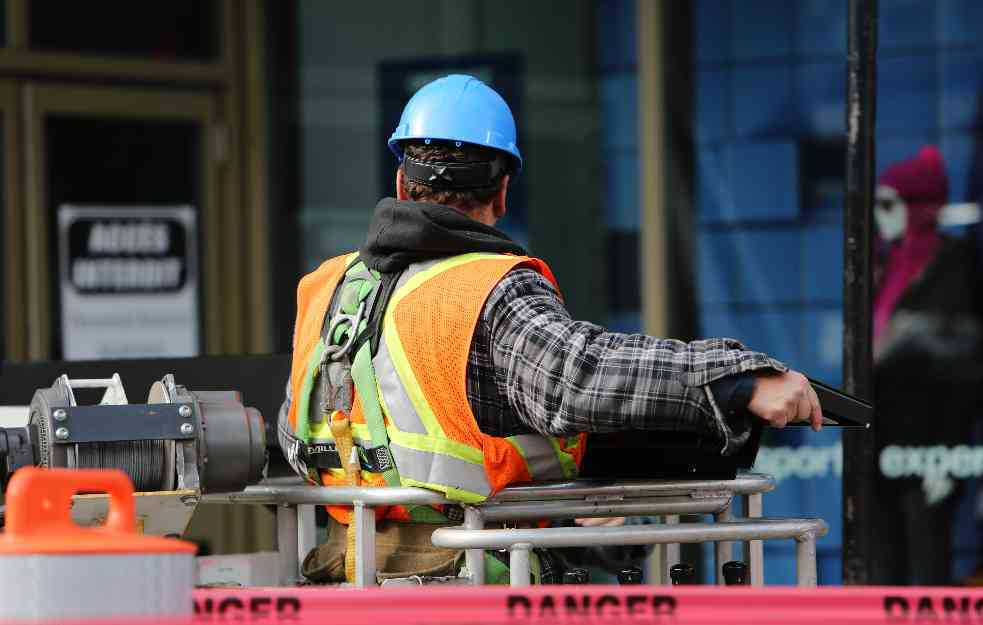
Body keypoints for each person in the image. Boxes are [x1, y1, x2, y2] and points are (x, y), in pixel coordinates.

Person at [277, 74, 823, 584]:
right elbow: (576, 377)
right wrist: (738, 380)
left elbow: (296, 429)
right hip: (469, 583)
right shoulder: (486, 288)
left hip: (346, 579)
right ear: (503, 192)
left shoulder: (328, 288)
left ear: (401, 180)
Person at [870, 146, 983, 586]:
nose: (881, 217)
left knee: (928, 553)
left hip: (932, 439)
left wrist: (950, 453)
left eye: (889, 204)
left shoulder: (956, 266)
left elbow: (964, 364)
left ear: (919, 207)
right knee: (884, 561)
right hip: (880, 437)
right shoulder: (880, 264)